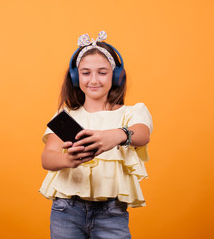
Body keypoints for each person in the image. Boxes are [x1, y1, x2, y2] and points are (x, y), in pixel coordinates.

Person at [39, 31, 153, 239]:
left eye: (102, 72)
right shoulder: (67, 116)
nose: (93, 80)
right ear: (75, 77)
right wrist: (68, 159)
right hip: (66, 210)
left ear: (116, 76)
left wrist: (118, 135)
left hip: (111, 212)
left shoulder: (130, 113)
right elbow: (47, 157)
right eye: (85, 73)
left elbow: (143, 134)